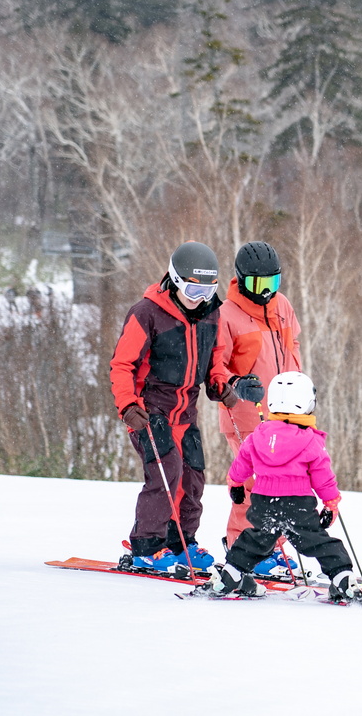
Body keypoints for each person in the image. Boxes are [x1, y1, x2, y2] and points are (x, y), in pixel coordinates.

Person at [109, 241, 264, 573]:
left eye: (208, 291)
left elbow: (214, 363)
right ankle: (147, 547)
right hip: (150, 410)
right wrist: (128, 406)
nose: (201, 299)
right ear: (176, 280)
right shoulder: (147, 313)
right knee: (167, 473)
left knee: (193, 477)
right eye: (194, 290)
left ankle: (180, 543)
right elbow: (122, 365)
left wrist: (222, 385)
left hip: (186, 411)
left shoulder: (210, 314)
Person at [215, 371, 362, 602]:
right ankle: (341, 577)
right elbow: (322, 475)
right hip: (298, 504)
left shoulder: (258, 435)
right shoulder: (310, 439)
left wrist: (235, 482)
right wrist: (330, 502)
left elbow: (242, 461)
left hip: (264, 501)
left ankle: (232, 573)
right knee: (317, 541)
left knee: (256, 539)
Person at [216, 241, 303, 576]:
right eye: (258, 285)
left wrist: (300, 383)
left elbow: (292, 345)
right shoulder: (226, 315)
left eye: (273, 283)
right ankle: (242, 544)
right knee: (254, 482)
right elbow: (215, 366)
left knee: (280, 482)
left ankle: (269, 547)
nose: (266, 292)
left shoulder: (282, 305)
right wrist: (236, 382)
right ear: (241, 280)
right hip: (246, 413)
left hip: (285, 414)